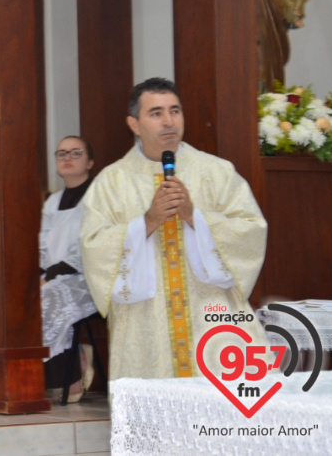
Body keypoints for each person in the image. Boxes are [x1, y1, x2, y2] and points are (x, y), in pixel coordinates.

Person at [79, 78, 269, 381]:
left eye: (175, 111)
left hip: (212, 318)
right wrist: (148, 221)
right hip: (145, 323)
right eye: (156, 113)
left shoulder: (216, 172)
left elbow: (251, 229)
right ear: (134, 123)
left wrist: (195, 217)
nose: (168, 121)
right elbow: (93, 245)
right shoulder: (112, 182)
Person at [40, 136, 98, 402]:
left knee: (49, 297)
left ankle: (71, 378)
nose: (67, 158)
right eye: (61, 153)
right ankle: (61, 369)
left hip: (89, 277)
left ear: (90, 162)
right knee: (32, 296)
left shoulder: (98, 196)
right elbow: (43, 243)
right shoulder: (52, 202)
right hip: (55, 275)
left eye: (76, 153)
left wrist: (56, 273)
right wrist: (43, 273)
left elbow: (93, 241)